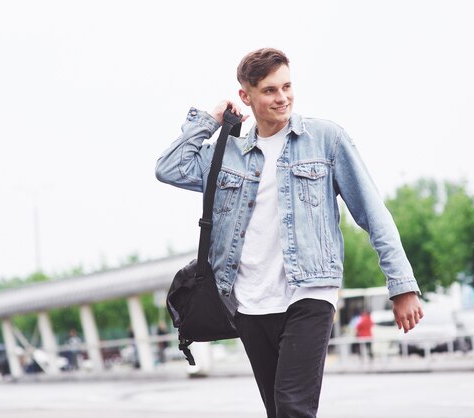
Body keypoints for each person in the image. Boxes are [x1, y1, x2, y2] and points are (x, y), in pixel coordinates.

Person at [155, 48, 423, 418]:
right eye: (269, 90)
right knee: (279, 410)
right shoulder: (226, 154)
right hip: (248, 303)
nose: (282, 98)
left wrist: (402, 285)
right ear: (246, 96)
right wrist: (210, 120)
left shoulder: (326, 140)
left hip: (310, 293)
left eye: (287, 87)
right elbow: (169, 167)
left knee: (293, 407)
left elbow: (372, 213)